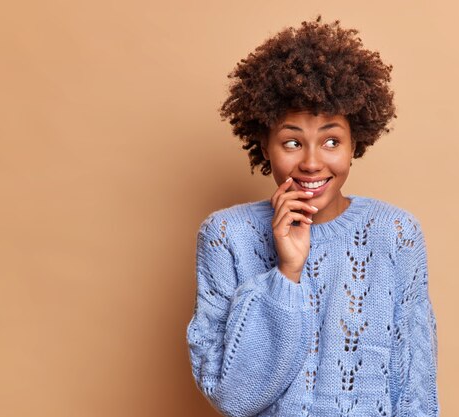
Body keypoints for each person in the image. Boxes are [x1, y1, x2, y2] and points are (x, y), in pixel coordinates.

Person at [186, 16, 440, 417]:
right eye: (291, 142)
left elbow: (414, 388)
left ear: (355, 143)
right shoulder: (225, 236)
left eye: (331, 141)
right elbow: (234, 398)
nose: (311, 162)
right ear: (264, 144)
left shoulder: (395, 234)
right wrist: (287, 273)